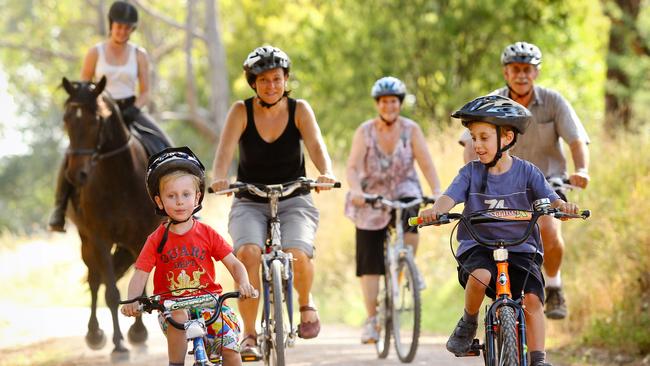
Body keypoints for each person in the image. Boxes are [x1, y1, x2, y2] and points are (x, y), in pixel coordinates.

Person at [421, 95, 580, 366]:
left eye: (484, 138)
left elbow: (551, 198)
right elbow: (449, 198)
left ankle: (538, 358)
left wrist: (563, 207)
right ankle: (468, 322)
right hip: (479, 246)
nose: (477, 145)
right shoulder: (470, 173)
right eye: (474, 138)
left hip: (521, 248)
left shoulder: (528, 172)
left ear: (506, 138)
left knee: (532, 299)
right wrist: (435, 210)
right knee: (481, 275)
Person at [209, 45, 337, 359]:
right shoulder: (241, 111)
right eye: (264, 80)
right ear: (253, 82)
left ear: (285, 79)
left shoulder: (299, 109)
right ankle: (249, 334)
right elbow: (224, 154)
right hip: (250, 199)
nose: (271, 85)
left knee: (297, 252)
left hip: (295, 197)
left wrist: (327, 173)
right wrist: (219, 178)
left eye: (277, 79)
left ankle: (306, 303)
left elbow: (317, 147)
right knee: (248, 253)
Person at [458, 41, 590, 319]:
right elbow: (470, 144)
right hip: (504, 182)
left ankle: (553, 285)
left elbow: (576, 139)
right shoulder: (491, 101)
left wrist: (582, 169)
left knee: (550, 230)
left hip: (547, 180)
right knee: (496, 237)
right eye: (515, 69)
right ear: (506, 73)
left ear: (536, 72)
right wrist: (475, 181)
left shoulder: (553, 101)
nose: (521, 75)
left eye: (527, 69)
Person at [121, 146, 256, 366]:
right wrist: (134, 301)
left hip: (210, 303)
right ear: (159, 201)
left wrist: (244, 283)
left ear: (197, 197)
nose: (180, 201)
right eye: (171, 196)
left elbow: (234, 264)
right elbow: (140, 273)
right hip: (171, 306)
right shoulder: (156, 239)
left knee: (231, 349)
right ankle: (177, 363)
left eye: (186, 194)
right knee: (179, 315)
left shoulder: (207, 233)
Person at [48, 0, 172, 232]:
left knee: (164, 145)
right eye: (118, 26)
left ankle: (181, 206)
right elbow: (84, 89)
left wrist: (135, 108)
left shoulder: (139, 54)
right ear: (111, 25)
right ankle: (59, 208)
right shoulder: (95, 52)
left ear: (132, 30)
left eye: (127, 28)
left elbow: (145, 91)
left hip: (130, 110)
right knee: (73, 152)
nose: (122, 31)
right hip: (101, 113)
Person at [344, 76, 442, 344]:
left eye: (393, 101)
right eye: (384, 101)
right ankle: (373, 320)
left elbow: (426, 163)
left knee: (413, 213)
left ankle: (406, 263)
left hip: (403, 188)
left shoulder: (411, 129)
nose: (389, 106)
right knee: (370, 261)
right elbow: (352, 167)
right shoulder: (365, 131)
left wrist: (437, 191)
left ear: (400, 104)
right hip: (371, 193)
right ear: (378, 104)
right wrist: (355, 190)